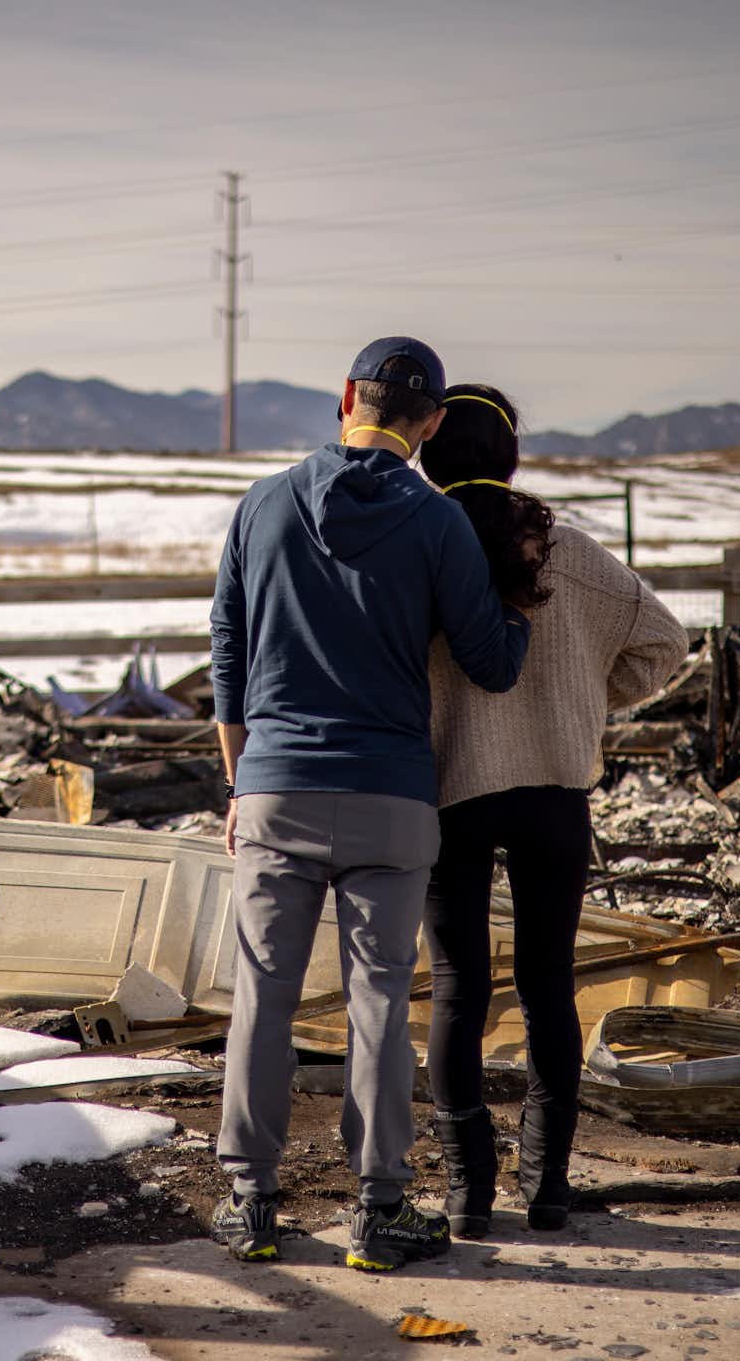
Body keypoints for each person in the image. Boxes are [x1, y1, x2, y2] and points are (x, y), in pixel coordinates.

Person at [207, 337, 531, 1272]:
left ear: (345, 397)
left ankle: (251, 1203)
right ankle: (380, 1208)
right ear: (428, 428)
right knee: (381, 1001)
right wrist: (518, 589)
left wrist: (240, 780)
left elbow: (227, 655)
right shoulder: (437, 524)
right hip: (392, 795)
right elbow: (494, 665)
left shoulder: (262, 504)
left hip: (273, 785)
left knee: (262, 997)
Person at [415, 383, 687, 1235]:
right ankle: (549, 1189)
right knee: (548, 988)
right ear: (512, 459)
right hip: (555, 796)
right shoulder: (564, 550)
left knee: (458, 994)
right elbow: (666, 644)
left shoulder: (417, 543)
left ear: (425, 451)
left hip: (448, 794)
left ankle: (467, 1195)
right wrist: (584, 699)